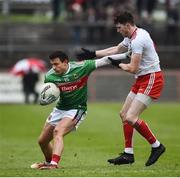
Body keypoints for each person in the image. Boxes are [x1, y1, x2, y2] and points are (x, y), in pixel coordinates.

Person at [76, 11, 165, 167]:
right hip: (142, 78)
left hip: (152, 78)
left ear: (128, 25)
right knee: (124, 114)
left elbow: (132, 68)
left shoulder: (138, 40)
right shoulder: (131, 36)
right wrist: (93, 54)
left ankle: (157, 146)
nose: (117, 30)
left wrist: (117, 64)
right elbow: (116, 50)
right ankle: (128, 154)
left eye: (119, 27)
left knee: (131, 117)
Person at [31, 50, 129, 170]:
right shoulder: (50, 76)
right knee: (42, 141)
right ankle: (48, 162)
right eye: (52, 64)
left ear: (65, 62)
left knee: (58, 132)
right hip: (60, 108)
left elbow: (105, 59)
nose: (54, 67)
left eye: (56, 64)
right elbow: (51, 93)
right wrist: (46, 99)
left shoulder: (82, 67)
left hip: (77, 109)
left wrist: (126, 55)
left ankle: (54, 164)